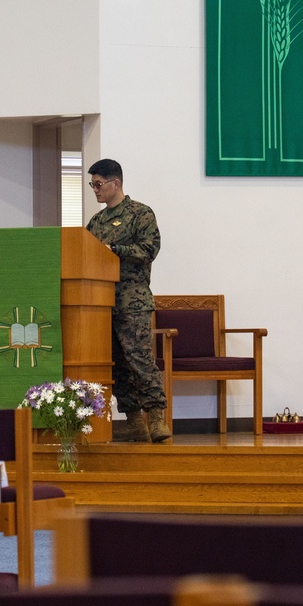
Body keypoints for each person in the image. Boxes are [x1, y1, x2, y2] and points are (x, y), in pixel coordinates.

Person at [85, 158, 169, 443]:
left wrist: (114, 249)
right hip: (100, 303)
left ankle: (156, 417)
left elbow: (149, 249)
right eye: (92, 185)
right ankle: (134, 420)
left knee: (140, 360)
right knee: (116, 364)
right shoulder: (96, 222)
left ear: (116, 183)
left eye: (98, 184)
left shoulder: (140, 214)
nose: (95, 190)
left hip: (132, 300)